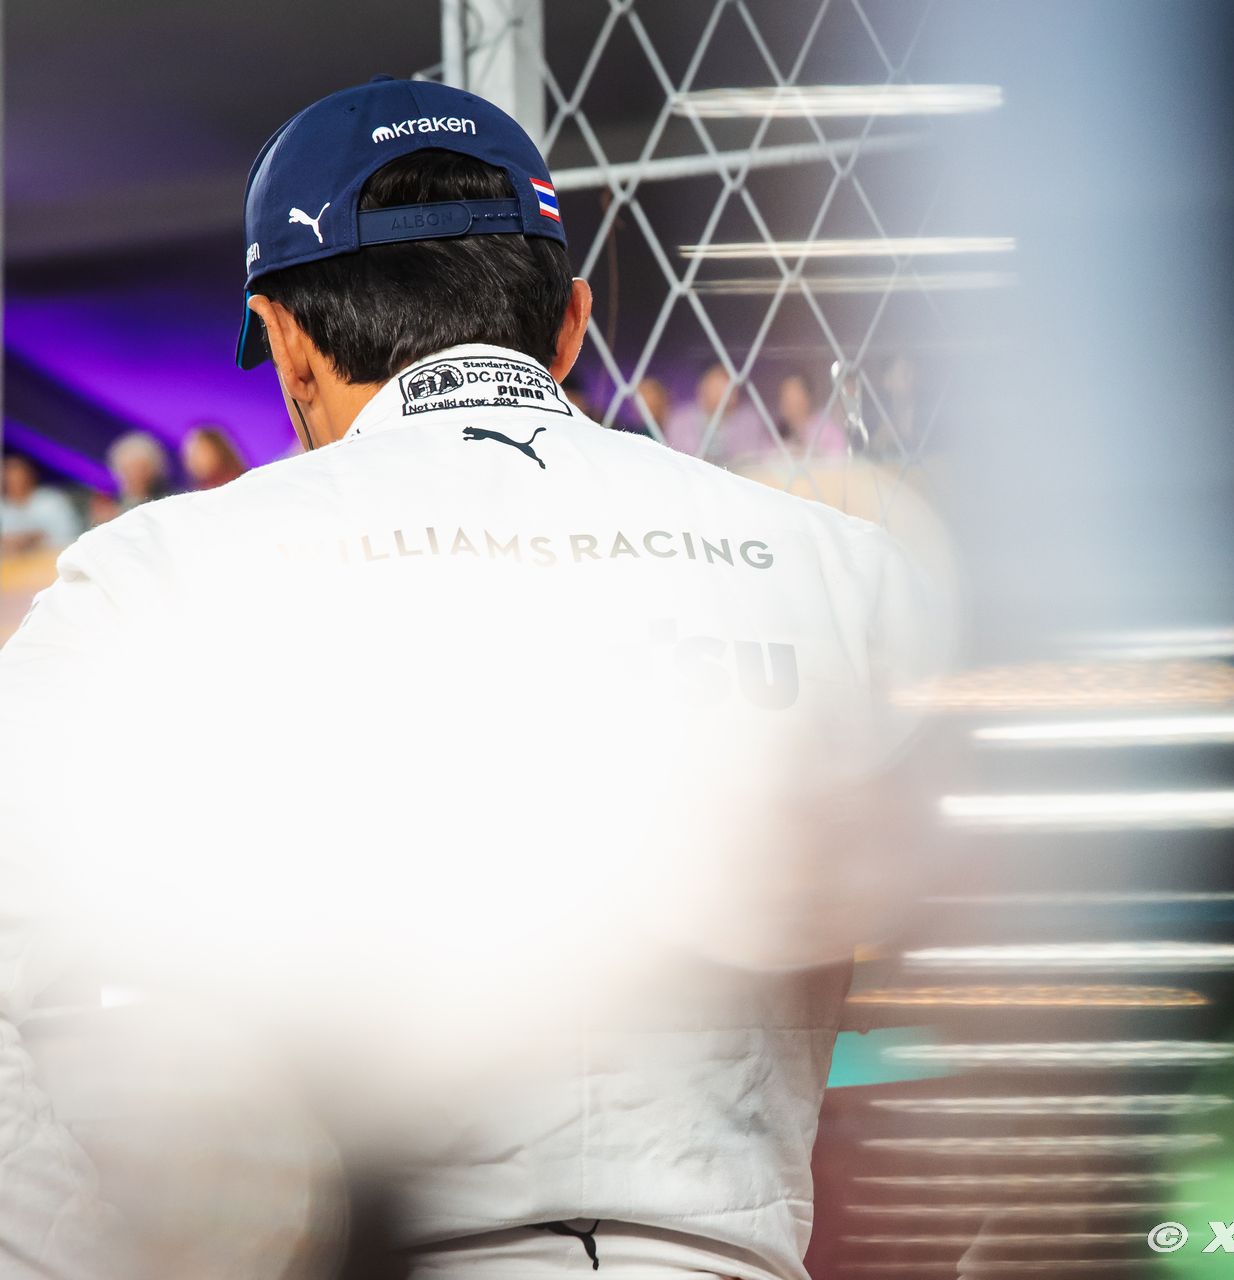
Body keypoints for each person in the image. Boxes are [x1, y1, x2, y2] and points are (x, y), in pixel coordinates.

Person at [0, 75, 942, 1280]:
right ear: (573, 322)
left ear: (287, 344)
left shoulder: (156, 577)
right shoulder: (842, 568)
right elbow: (1013, 948)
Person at [663, 362, 767, 462]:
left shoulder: (749, 418)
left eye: (730, 388)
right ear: (703, 388)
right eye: (717, 388)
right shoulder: (680, 419)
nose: (724, 394)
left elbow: (763, 453)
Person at [0, 451, 82, 555]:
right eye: (6, 471)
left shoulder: (51, 500)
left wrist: (33, 539)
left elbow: (71, 536)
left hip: (50, 560)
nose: (11, 477)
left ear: (30, 473)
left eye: (16, 470)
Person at [179, 423, 249, 490]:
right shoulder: (198, 490)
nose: (195, 460)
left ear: (220, 449)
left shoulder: (241, 482)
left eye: (202, 451)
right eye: (190, 454)